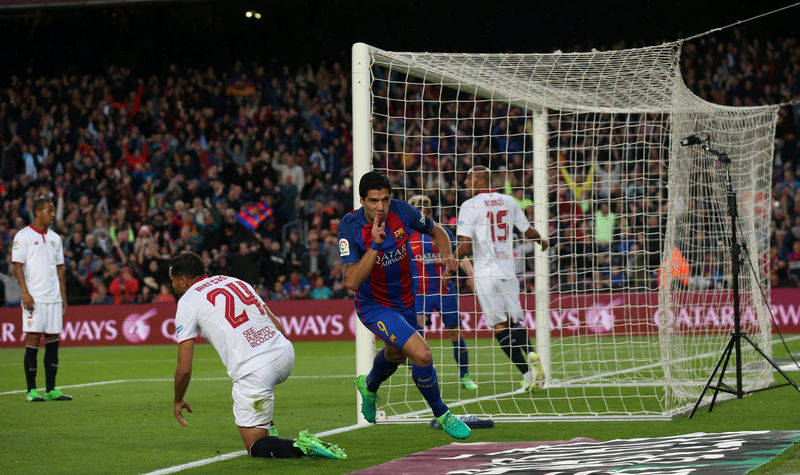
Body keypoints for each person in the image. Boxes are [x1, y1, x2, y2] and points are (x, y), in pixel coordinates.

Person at [169, 251, 346, 460]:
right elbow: (277, 325)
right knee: (258, 396)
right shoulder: (234, 281)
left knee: (255, 445)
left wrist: (178, 399)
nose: (173, 287)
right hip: (284, 352)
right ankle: (271, 429)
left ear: (183, 280)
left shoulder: (188, 300)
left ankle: (302, 446)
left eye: (173, 282)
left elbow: (184, 368)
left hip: (255, 370)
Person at [338, 171, 471, 440]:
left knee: (396, 356)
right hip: (374, 305)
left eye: (385, 200)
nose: (380, 207)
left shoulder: (403, 211)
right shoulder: (349, 226)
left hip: (406, 301)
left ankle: (369, 386)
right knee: (421, 354)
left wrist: (447, 256)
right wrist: (374, 247)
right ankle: (443, 413)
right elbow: (351, 281)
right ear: (362, 200)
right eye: (373, 201)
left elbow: (438, 231)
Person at [455, 166, 548, 391]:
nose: (466, 183)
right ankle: (533, 352)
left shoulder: (469, 206)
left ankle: (526, 374)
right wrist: (543, 241)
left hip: (486, 272)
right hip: (508, 269)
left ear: (478, 180)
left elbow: (466, 246)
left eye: (468, 178)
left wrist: (450, 260)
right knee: (515, 321)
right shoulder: (508, 201)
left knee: (499, 326)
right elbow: (528, 232)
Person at [407, 194, 477, 391]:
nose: (420, 214)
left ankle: (465, 376)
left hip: (444, 290)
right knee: (418, 332)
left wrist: (471, 276)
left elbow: (458, 256)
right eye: (415, 210)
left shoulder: (441, 232)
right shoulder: (405, 235)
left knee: (455, 332)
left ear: (430, 212)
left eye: (423, 210)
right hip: (419, 292)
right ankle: (421, 372)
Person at [12, 198, 72, 402]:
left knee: (53, 341)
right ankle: (31, 391)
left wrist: (63, 297)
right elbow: (17, 267)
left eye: (53, 211)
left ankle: (51, 389)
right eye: (49, 211)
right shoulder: (23, 236)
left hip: (53, 298)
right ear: (38, 212)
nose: (53, 215)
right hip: (34, 298)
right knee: (33, 340)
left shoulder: (55, 238)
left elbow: (60, 269)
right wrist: (25, 293)